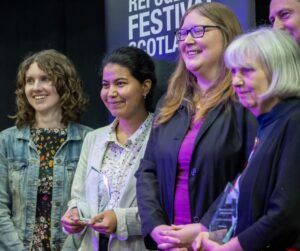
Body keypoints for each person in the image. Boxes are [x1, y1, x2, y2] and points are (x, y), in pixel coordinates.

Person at [135, 2, 257, 250]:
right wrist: (158, 228)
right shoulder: (169, 103)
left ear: (227, 34)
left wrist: (207, 228)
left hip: (222, 242)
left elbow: (253, 176)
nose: (187, 40)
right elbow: (147, 171)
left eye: (198, 31)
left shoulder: (246, 99)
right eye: (182, 33)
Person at [193, 27, 300, 251]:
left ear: (277, 71)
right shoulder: (268, 124)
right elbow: (240, 193)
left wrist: (229, 248)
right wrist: (211, 234)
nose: (236, 82)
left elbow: (286, 214)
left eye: (247, 71)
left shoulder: (294, 121)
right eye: (233, 72)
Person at [61, 46, 156, 251]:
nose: (111, 93)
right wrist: (75, 213)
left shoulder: (162, 137)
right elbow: (79, 197)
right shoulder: (93, 138)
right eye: (105, 85)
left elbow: (165, 207)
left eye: (120, 83)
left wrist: (120, 219)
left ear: (145, 86)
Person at [0, 49, 92, 250]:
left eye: (45, 79)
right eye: (29, 81)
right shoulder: (6, 141)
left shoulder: (90, 140)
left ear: (64, 84)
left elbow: (91, 208)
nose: (36, 87)